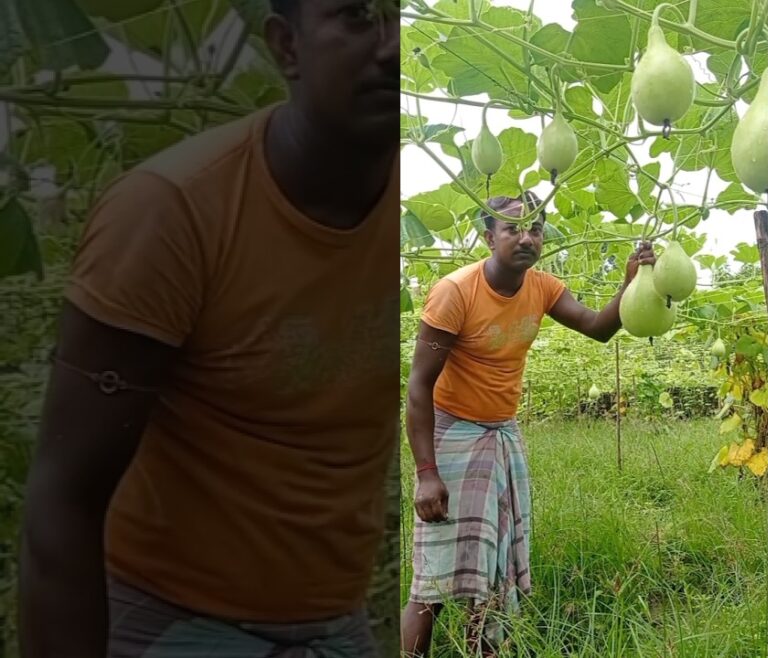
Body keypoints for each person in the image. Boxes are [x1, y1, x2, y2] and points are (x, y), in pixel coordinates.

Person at [17, 2, 398, 657]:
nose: (395, 48)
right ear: (286, 47)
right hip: (171, 621)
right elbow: (63, 501)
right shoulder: (169, 214)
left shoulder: (421, 219)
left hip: (337, 620)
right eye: (359, 16)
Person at [400, 191, 657, 656]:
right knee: (434, 578)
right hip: (452, 436)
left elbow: (599, 328)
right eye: (512, 228)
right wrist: (426, 474)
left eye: (536, 229)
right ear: (488, 236)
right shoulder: (455, 291)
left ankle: (486, 652)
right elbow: (418, 389)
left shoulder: (543, 287)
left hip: (501, 434)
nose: (526, 237)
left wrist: (630, 283)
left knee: (496, 573)